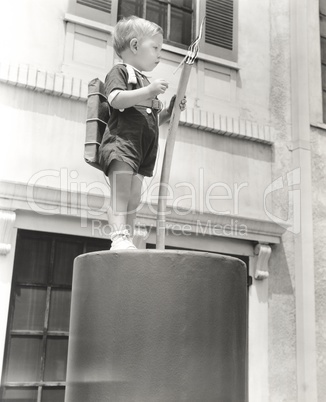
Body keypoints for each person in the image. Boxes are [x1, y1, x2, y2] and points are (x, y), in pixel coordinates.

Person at [99, 16, 186, 250]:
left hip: (141, 151)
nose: (160, 54)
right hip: (122, 145)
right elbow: (116, 100)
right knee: (121, 192)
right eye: (155, 47)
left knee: (134, 197)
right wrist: (148, 90)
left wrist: (169, 111)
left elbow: (151, 118)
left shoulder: (144, 81)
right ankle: (118, 237)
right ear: (135, 45)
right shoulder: (121, 72)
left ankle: (126, 236)